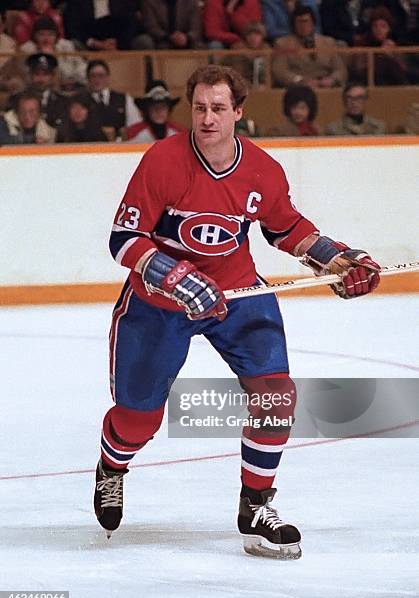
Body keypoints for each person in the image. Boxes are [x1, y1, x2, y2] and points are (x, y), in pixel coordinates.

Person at [93, 64, 381, 559]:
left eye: (219, 109)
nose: (207, 119)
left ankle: (255, 502)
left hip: (237, 295)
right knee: (138, 419)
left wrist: (336, 257)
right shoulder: (162, 161)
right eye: (200, 108)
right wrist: (173, 276)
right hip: (160, 303)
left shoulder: (262, 170)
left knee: (276, 394)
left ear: (238, 112)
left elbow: (285, 227)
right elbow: (124, 240)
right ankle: (111, 468)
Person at [272, 4, 347, 87]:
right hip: (299, 88)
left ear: (313, 23)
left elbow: (340, 69)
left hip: (326, 86)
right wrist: (300, 80)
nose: (303, 26)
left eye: (306, 21)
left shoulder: (328, 42)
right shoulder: (283, 43)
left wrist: (332, 79)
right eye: (299, 22)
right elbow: (279, 70)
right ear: (293, 25)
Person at [20, 16, 87, 90]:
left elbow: (81, 71)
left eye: (50, 34)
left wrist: (54, 57)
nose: (46, 39)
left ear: (56, 36)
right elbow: (26, 77)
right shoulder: (26, 50)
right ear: (34, 36)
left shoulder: (67, 46)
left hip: (67, 89)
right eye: (41, 34)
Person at [86, 59, 142, 139]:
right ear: (88, 78)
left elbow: (136, 125)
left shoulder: (124, 98)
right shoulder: (81, 101)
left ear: (107, 77)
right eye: (93, 76)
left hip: (120, 147)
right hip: (90, 147)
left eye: (101, 75)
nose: (97, 79)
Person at [137, 0, 204, 50]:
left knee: (200, 46)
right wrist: (170, 37)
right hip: (161, 39)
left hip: (186, 40)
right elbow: (151, 27)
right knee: (145, 41)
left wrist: (186, 38)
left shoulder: (191, 2)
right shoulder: (149, 2)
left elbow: (196, 28)